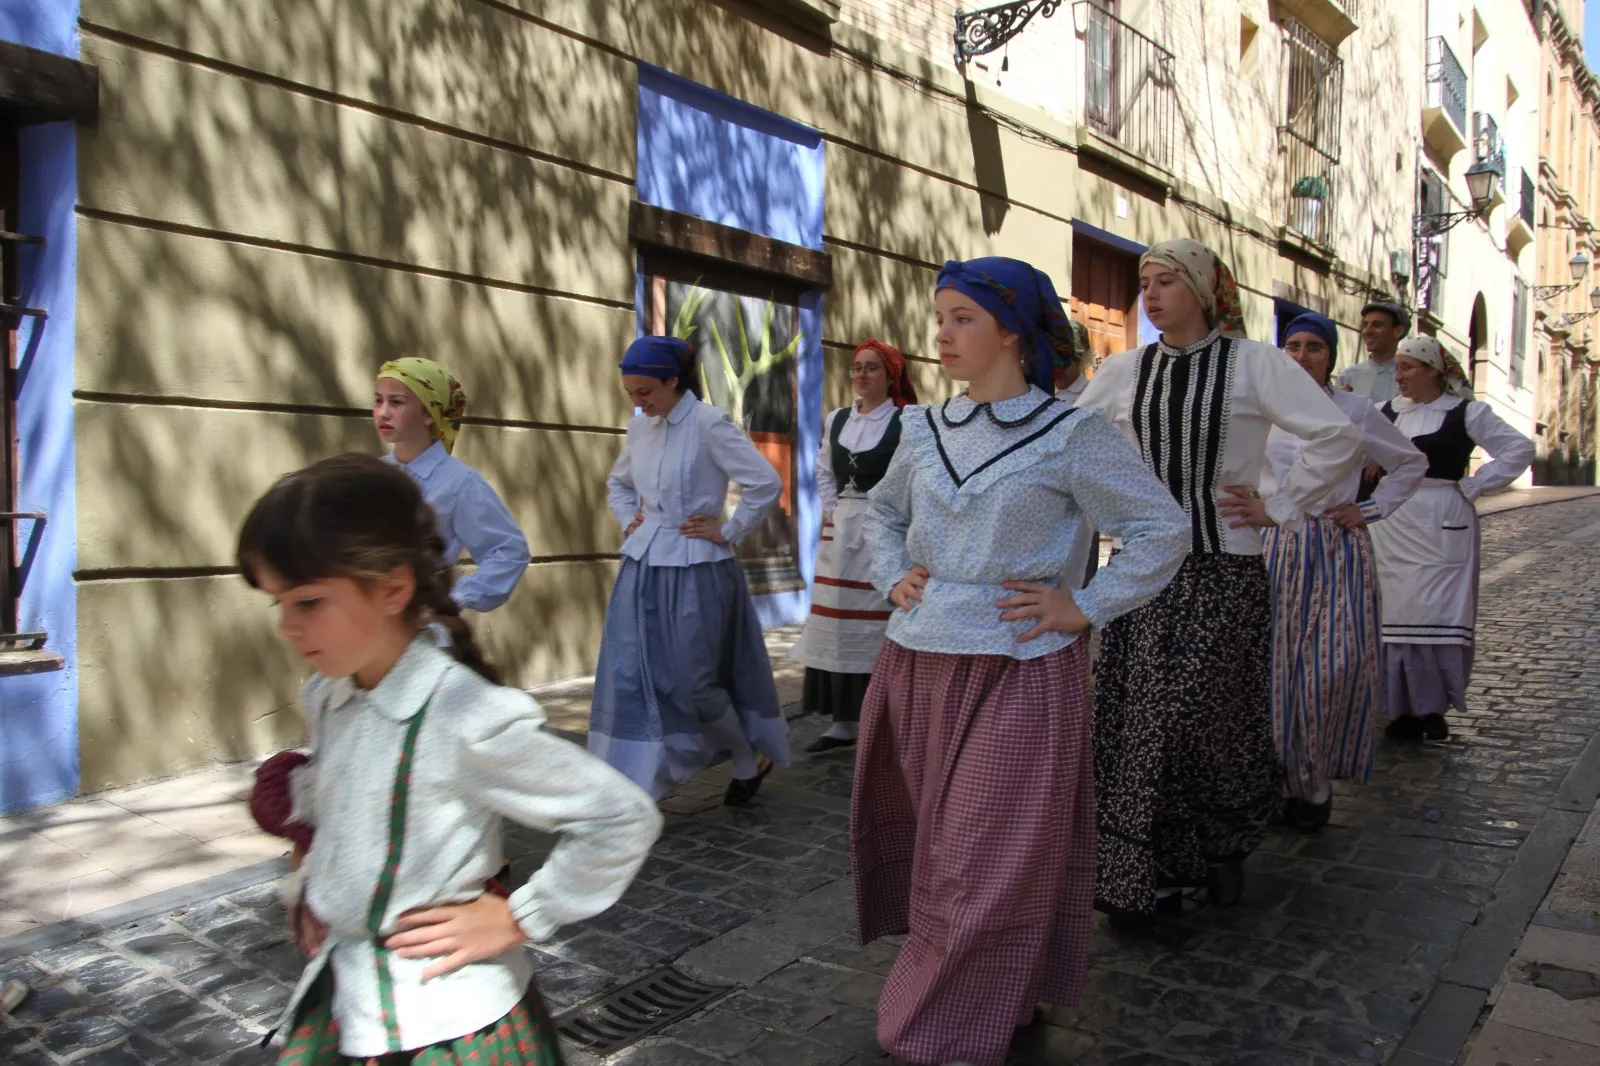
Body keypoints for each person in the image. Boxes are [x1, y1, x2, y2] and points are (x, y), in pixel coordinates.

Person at [852, 257, 1190, 1066]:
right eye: (940, 316)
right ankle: (1008, 986)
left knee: (981, 858)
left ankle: (936, 1033)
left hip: (1019, 667)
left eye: (963, 317)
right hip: (918, 664)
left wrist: (1083, 604)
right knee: (942, 851)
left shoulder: (1074, 434)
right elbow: (880, 511)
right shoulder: (923, 429)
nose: (942, 333)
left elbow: (1160, 530)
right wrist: (892, 572)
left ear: (1011, 330)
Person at [237, 454, 661, 1065]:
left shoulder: (463, 716)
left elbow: (621, 817)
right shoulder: (330, 693)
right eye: (277, 603)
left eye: (307, 602)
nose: (286, 626)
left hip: (449, 1026)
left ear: (391, 589)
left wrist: (518, 917)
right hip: (350, 1001)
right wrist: (315, 889)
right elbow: (347, 813)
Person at [1078, 239, 1363, 923]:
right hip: (1140, 570)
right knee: (1135, 718)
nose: (1150, 294)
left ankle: (1222, 843)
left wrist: (1282, 506)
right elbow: (1072, 451)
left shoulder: (1254, 364)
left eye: (1167, 280)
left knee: (1203, 715)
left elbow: (1337, 437)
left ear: (1204, 291)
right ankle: (1145, 869)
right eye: (1145, 281)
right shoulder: (1121, 372)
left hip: (1224, 566)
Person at [589, 336, 791, 805]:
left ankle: (748, 754)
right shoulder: (639, 430)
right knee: (632, 677)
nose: (639, 403)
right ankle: (638, 783)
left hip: (697, 569)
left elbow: (765, 482)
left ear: (672, 381)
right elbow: (618, 485)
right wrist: (629, 518)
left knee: (695, 682)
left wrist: (730, 529)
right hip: (642, 570)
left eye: (646, 392)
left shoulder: (709, 423)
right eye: (631, 395)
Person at [1263, 314, 1426, 831]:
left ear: (1331, 356)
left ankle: (1315, 784)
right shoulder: (1261, 408)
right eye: (1292, 345)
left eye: (1314, 346)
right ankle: (1276, 782)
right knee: (1271, 666)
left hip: (1334, 548)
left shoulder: (1355, 410)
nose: (1302, 355)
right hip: (1271, 546)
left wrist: (1368, 509)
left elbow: (1410, 464)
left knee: (1329, 669)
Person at [1370, 336, 1534, 741]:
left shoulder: (1467, 413)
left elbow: (1519, 448)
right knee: (1391, 613)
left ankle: (1432, 707)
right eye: (1397, 368)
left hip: (1443, 522)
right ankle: (1399, 708)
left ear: (1433, 370)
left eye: (1408, 367)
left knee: (1438, 613)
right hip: (1391, 525)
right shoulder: (1381, 412)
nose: (1399, 375)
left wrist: (1476, 484)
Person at [788, 339, 917, 754]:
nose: (862, 375)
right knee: (838, 625)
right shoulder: (838, 418)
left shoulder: (907, 421)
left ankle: (882, 719)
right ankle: (843, 722)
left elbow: (915, 478)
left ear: (891, 375)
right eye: (857, 367)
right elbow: (823, 470)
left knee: (877, 621)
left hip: (886, 532)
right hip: (840, 534)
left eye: (872, 368)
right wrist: (833, 511)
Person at [375, 358, 531, 613]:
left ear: (429, 413)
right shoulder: (373, 475)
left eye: (396, 402)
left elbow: (510, 550)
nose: (383, 412)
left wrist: (452, 601)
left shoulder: (459, 482)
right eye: (378, 400)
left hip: (421, 633)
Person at [1336, 301, 1410, 403]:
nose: (1367, 331)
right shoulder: (1348, 377)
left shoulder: (1411, 379)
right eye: (1365, 325)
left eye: (1377, 325)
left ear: (1398, 331)